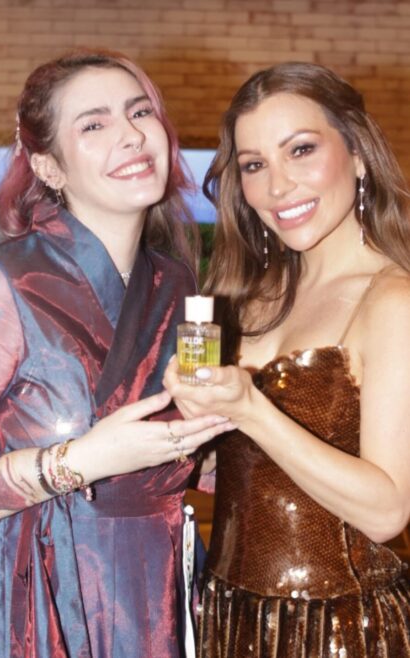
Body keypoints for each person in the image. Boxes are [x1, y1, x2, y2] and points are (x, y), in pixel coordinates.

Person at [0, 49, 234, 658]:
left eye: (139, 112)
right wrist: (78, 462)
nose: (131, 134)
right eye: (94, 124)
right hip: (39, 590)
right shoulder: (0, 282)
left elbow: (176, 458)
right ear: (49, 165)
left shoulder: (177, 283)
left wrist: (216, 442)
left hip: (156, 588)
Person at [164, 62, 410, 657]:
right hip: (226, 614)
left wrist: (249, 410)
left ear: (357, 153)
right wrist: (191, 432)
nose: (277, 187)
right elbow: (243, 472)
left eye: (301, 150)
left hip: (340, 628)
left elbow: (387, 511)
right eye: (254, 165)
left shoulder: (393, 300)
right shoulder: (246, 296)